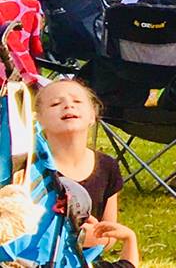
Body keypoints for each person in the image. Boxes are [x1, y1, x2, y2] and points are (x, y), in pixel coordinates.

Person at [37, 79, 140, 266]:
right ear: (39, 120)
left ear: (93, 115)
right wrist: (75, 237)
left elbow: (109, 235)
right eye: (55, 104)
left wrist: (104, 237)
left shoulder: (107, 167)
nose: (68, 105)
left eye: (77, 101)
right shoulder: (32, 168)